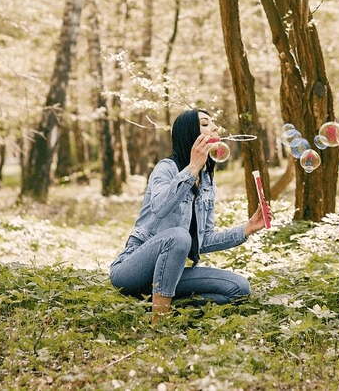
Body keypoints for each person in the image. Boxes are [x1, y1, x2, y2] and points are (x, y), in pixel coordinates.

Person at [109, 109, 266, 321]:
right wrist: (192, 168)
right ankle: (159, 320)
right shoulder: (165, 169)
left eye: (214, 124)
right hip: (131, 271)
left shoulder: (207, 183)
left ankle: (156, 301)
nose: (214, 127)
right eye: (205, 123)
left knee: (239, 288)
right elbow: (160, 207)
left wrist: (247, 228)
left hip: (168, 273)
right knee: (179, 236)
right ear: (190, 133)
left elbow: (204, 240)